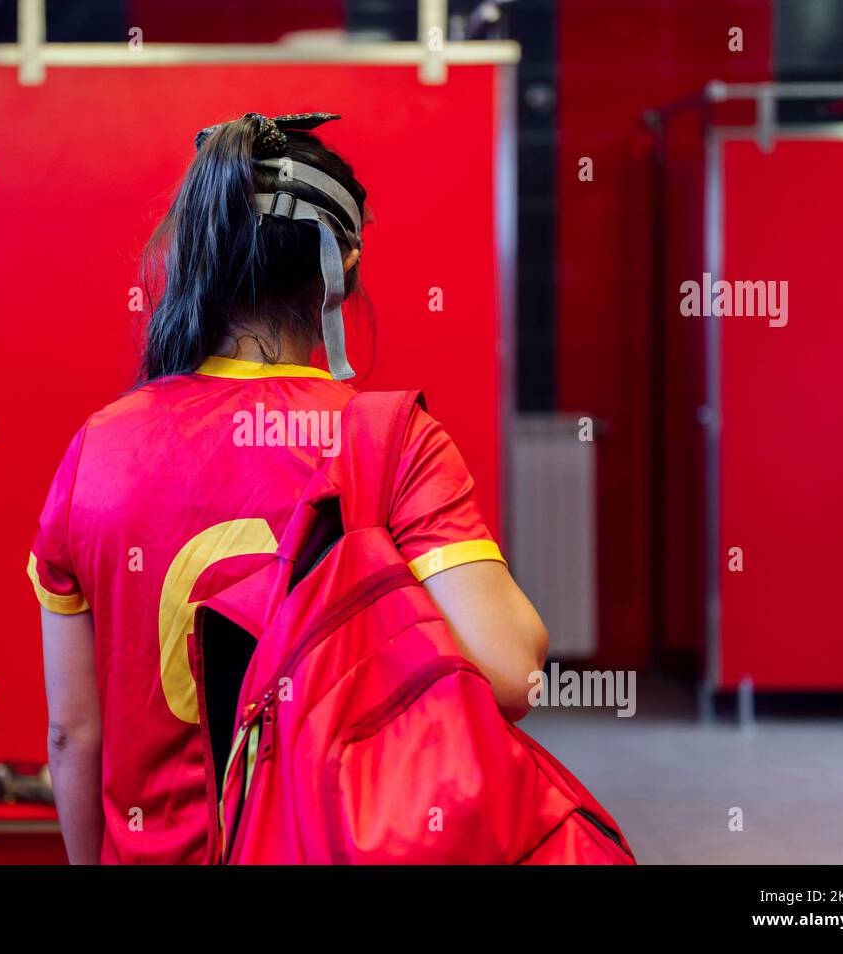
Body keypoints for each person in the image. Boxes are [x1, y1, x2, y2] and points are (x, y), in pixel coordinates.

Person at [29, 112, 548, 864]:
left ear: (202, 254)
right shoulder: (389, 438)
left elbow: (71, 734)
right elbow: (510, 673)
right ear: (343, 268)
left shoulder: (98, 449)